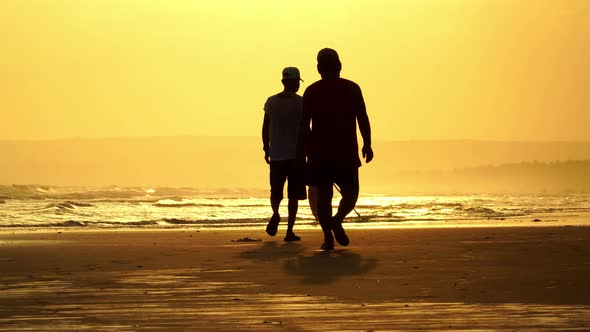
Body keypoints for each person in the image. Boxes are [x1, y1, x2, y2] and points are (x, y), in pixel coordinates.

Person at [299, 48, 374, 250]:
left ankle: (328, 237)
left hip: (319, 153)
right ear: (340, 66)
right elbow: (362, 118)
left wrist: (305, 150)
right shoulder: (352, 88)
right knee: (351, 194)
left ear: (318, 68)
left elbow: (304, 125)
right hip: (345, 151)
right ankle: (337, 219)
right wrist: (367, 143)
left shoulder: (312, 91)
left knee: (324, 196)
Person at [262, 67, 307, 241]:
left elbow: (265, 128)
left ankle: (275, 213)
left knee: (276, 192)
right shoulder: (301, 102)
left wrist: (266, 147)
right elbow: (305, 129)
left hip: (277, 155)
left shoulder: (271, 102)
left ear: (283, 82)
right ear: (295, 83)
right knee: (293, 195)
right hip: (296, 156)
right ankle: (289, 231)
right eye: (297, 82)